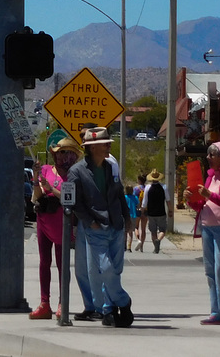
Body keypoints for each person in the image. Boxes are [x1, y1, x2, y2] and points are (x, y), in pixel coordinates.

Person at [68, 126, 133, 328]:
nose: (108, 147)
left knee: (115, 269)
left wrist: (127, 218)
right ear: (93, 147)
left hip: (116, 225)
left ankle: (109, 309)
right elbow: (74, 203)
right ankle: (124, 301)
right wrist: (90, 222)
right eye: (105, 144)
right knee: (104, 268)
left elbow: (119, 193)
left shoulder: (110, 168)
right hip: (95, 229)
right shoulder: (76, 172)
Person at [184, 141, 220, 327]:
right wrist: (191, 200)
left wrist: (210, 195)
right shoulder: (209, 178)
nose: (208, 158)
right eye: (208, 154)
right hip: (207, 227)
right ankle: (215, 311)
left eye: (212, 155)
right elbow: (202, 204)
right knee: (210, 271)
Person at [29, 137, 83, 320]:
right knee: (44, 261)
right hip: (44, 218)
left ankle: (63, 303)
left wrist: (50, 187)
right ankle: (45, 303)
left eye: (68, 152)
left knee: (62, 264)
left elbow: (70, 198)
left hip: (63, 221)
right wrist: (37, 180)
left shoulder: (74, 175)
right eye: (61, 152)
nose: (64, 156)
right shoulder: (45, 170)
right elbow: (36, 196)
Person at [142, 170, 168, 253]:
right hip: (161, 212)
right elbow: (168, 200)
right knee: (162, 230)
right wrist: (170, 210)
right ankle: (159, 240)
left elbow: (145, 201)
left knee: (153, 231)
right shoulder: (164, 187)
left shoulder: (148, 187)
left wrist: (142, 209)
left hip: (151, 213)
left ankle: (155, 247)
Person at [132, 174, 147, 252]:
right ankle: (142, 246)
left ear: (139, 180)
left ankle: (138, 240)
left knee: (136, 227)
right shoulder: (147, 188)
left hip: (137, 209)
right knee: (143, 229)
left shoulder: (136, 189)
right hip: (145, 209)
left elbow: (134, 199)